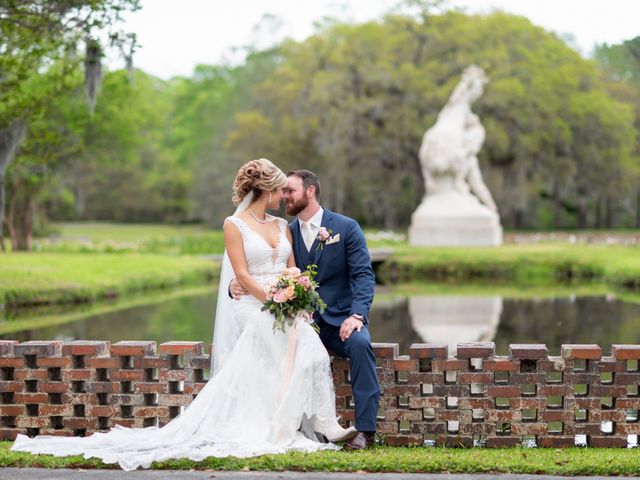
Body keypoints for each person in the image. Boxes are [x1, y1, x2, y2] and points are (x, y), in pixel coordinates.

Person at [11, 158, 356, 471]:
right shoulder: (233, 225)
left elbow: (292, 267)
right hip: (253, 305)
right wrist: (270, 298)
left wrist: (294, 291)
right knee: (268, 334)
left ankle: (324, 422)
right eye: (278, 189)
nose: (282, 195)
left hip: (283, 304)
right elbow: (242, 274)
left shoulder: (282, 226)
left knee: (309, 342)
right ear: (265, 190)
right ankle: (271, 424)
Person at [231, 169, 380, 450]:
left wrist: (357, 315)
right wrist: (234, 284)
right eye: (282, 191)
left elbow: (363, 276)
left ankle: (365, 431)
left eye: (290, 191)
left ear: (310, 191)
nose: (284, 196)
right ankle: (284, 425)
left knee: (361, 344)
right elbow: (261, 267)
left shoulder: (346, 227)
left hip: (339, 321)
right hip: (296, 321)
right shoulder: (284, 230)